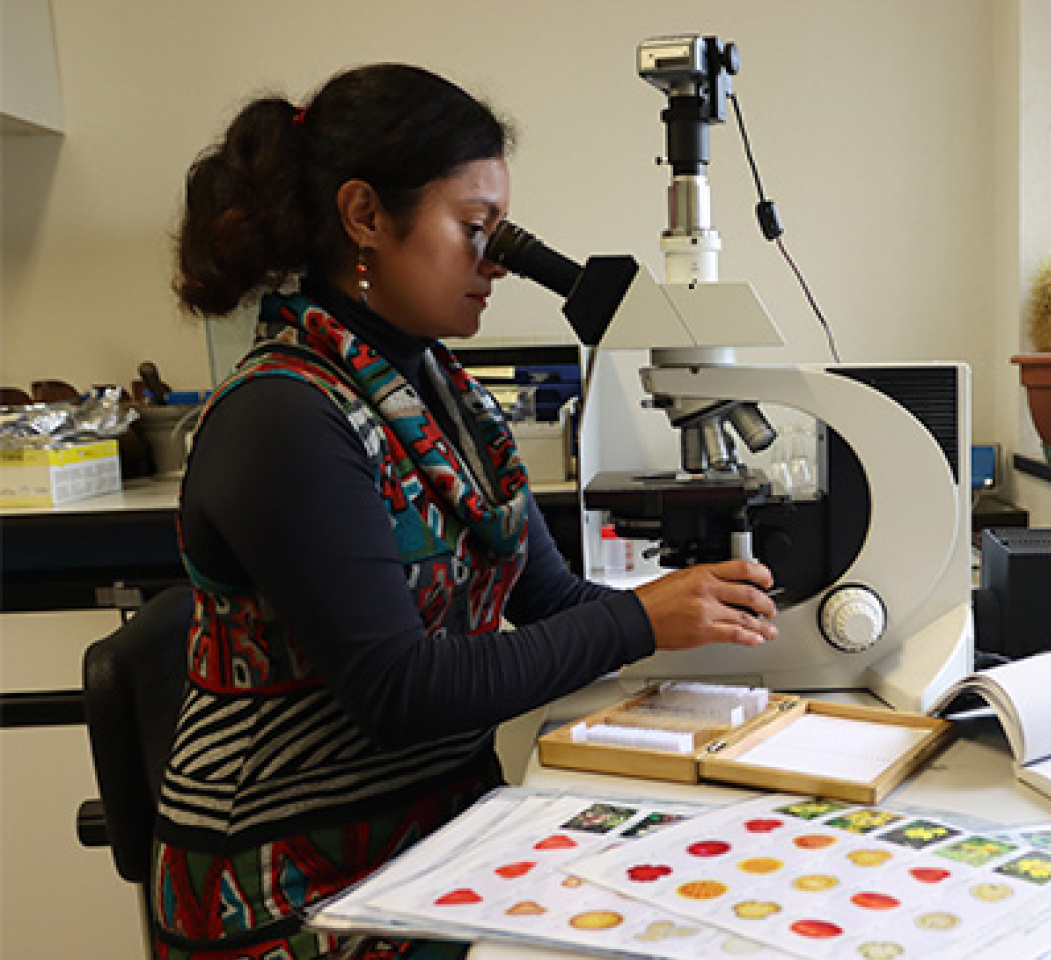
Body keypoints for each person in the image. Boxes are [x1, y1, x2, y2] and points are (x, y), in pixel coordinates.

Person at [159, 63, 779, 960]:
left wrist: (717, 621)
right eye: (474, 229)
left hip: (439, 838)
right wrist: (642, 620)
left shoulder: (441, 392)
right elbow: (400, 693)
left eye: (501, 234)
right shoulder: (285, 415)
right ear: (365, 216)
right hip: (290, 890)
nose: (495, 264)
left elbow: (556, 604)